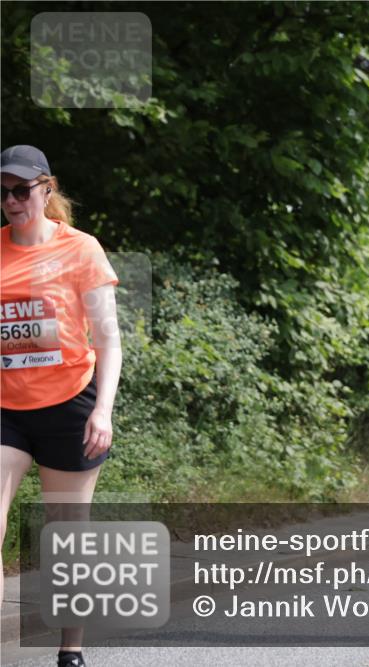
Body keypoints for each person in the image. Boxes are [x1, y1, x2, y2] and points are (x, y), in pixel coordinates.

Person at [1, 145, 121, 667]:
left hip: (70, 404)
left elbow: (109, 341)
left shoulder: (81, 250)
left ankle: (70, 651)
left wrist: (102, 411)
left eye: (22, 190)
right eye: (3, 191)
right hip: (5, 408)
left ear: (46, 191)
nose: (12, 200)